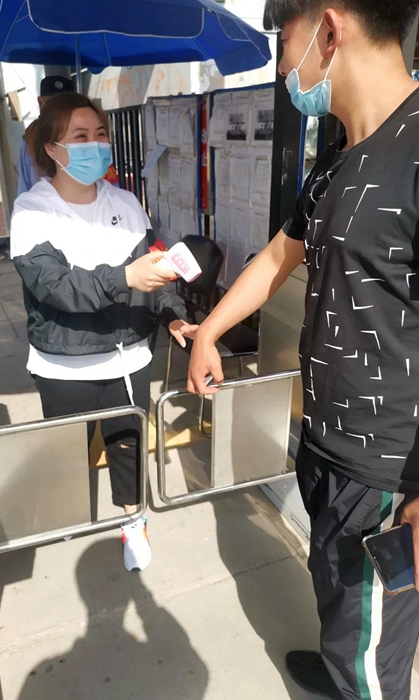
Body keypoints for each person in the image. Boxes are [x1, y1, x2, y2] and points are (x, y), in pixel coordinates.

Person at [188, 1, 419, 698]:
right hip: (325, 441)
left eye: (281, 43)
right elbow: (276, 257)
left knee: (371, 655)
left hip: (386, 471)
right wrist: (208, 331)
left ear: (328, 29)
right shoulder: (339, 155)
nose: (282, 66)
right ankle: (336, 660)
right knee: (338, 595)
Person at [11, 92, 196, 572]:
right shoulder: (31, 211)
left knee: (128, 445)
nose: (94, 145)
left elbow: (153, 268)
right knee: (68, 452)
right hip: (64, 364)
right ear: (52, 148)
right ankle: (68, 519)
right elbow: (55, 287)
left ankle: (134, 522)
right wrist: (124, 277)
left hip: (128, 358)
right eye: (80, 136)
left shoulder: (126, 202)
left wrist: (173, 314)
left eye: (99, 134)